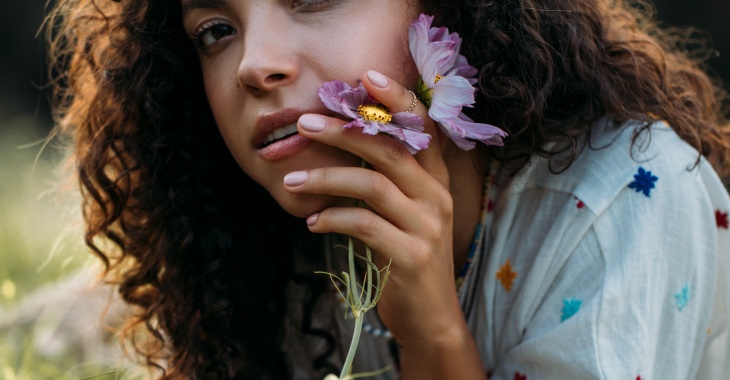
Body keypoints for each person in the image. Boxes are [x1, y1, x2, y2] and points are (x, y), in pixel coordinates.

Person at [46, 0, 730, 378]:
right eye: (216, 31)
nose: (253, 63)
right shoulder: (255, 252)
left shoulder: (622, 205)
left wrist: (431, 335)